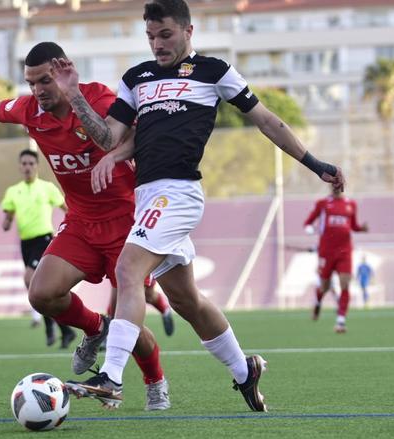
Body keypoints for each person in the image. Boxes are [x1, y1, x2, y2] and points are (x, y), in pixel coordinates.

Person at [51, 0, 344, 411]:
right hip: (148, 197)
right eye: (150, 36)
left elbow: (266, 120)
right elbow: (107, 137)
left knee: (128, 269)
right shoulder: (137, 78)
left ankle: (112, 377)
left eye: (165, 34)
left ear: (189, 31)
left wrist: (315, 164)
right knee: (186, 300)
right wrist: (74, 96)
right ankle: (244, 370)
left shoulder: (214, 71)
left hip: (179, 193)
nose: (157, 44)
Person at [0, 42, 171, 410]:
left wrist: (117, 159)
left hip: (126, 223)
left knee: (127, 322)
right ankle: (94, 327)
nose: (38, 91)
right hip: (81, 222)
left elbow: (137, 138)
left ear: (64, 70)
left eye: (45, 81)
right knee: (41, 293)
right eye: (31, 83)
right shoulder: (30, 110)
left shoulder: (99, 98)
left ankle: (155, 381)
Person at [1, 149, 76, 349]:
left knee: (29, 279)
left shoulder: (47, 188)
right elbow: (8, 216)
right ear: (20, 166)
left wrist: (72, 227)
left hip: (44, 239)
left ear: (37, 166)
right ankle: (64, 330)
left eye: (31, 163)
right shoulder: (13, 191)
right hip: (25, 243)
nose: (27, 167)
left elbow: (67, 208)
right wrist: (6, 222)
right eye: (24, 163)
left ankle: (50, 326)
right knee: (40, 290)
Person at [304, 187, 368, 333]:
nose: (336, 185)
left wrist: (361, 229)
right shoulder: (322, 203)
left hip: (345, 251)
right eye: (334, 181)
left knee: (345, 284)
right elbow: (308, 222)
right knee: (324, 286)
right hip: (326, 251)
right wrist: (310, 229)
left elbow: (353, 226)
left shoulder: (351, 204)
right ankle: (318, 301)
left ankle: (340, 321)